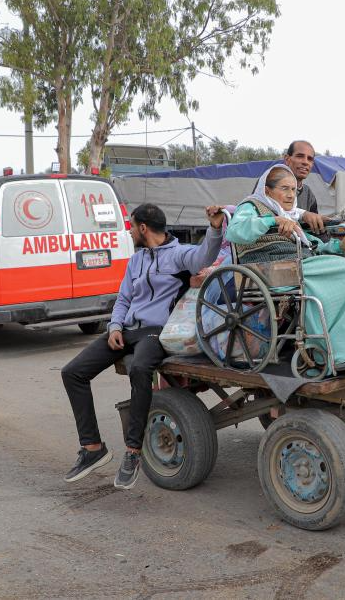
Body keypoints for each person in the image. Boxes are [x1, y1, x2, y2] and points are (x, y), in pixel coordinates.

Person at [61, 202, 225, 489]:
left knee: (139, 369)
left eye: (131, 225)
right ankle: (92, 448)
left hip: (155, 332)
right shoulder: (136, 260)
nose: (130, 230)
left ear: (143, 228)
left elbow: (203, 257)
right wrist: (114, 327)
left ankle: (133, 451)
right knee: (73, 372)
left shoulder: (178, 255)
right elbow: (123, 298)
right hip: (125, 330)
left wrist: (214, 228)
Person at [226, 164, 345, 376]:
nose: (290, 195)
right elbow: (235, 231)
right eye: (284, 188)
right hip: (271, 267)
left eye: (294, 190)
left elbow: (312, 245)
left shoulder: (290, 216)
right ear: (267, 190)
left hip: (299, 263)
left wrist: (341, 246)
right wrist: (271, 220)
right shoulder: (252, 206)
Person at [284, 139, 345, 269]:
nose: (305, 162)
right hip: (291, 248)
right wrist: (303, 215)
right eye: (300, 156)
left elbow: (317, 230)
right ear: (287, 159)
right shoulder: (271, 186)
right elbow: (269, 213)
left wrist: (343, 239)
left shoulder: (308, 193)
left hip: (312, 243)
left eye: (310, 159)